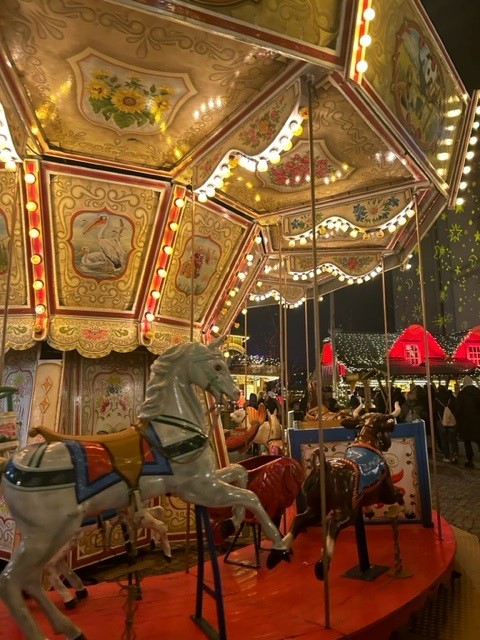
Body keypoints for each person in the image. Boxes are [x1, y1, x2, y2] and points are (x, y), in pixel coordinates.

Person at [454, 376, 480, 468]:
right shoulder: (478, 392)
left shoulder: (462, 394)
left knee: (467, 442)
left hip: (465, 423)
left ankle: (470, 460)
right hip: (477, 422)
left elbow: (457, 410)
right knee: (478, 440)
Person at [433, 385, 458, 463]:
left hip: (440, 421)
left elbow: (434, 410)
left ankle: (446, 457)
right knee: (453, 440)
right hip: (451, 420)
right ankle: (455, 456)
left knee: (443, 440)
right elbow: (456, 408)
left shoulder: (435, 398)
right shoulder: (451, 397)